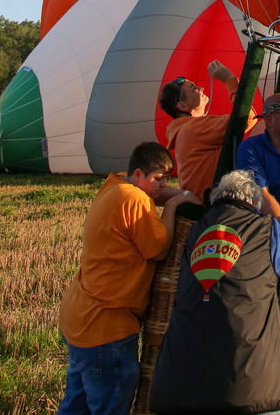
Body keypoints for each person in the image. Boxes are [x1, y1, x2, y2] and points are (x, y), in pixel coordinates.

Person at [149, 169, 280, 415]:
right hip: (252, 393)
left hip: (177, 387)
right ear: (255, 203)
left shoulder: (194, 233)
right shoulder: (266, 232)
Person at [57, 141, 200, 415]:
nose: (162, 184)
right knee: (111, 403)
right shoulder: (134, 199)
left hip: (79, 318)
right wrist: (172, 206)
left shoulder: (112, 186)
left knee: (75, 406)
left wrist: (169, 191)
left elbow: (150, 193)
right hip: (106, 325)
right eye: (158, 178)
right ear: (137, 175)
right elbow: (158, 250)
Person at [160, 60, 257, 202]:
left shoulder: (184, 129)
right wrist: (228, 79)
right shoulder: (195, 128)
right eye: (193, 88)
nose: (201, 88)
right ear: (182, 105)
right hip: (215, 205)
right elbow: (246, 118)